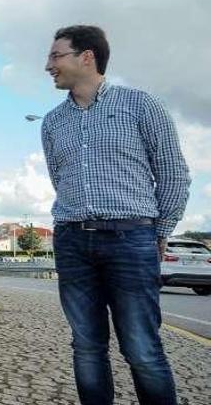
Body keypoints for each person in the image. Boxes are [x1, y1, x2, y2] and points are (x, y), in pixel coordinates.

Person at [40, 25, 190, 405]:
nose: (48, 65)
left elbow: (173, 172)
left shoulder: (141, 105)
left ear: (86, 56)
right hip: (73, 240)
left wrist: (160, 230)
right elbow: (61, 179)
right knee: (86, 347)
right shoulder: (52, 123)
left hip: (131, 239)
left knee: (141, 348)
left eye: (56, 56)